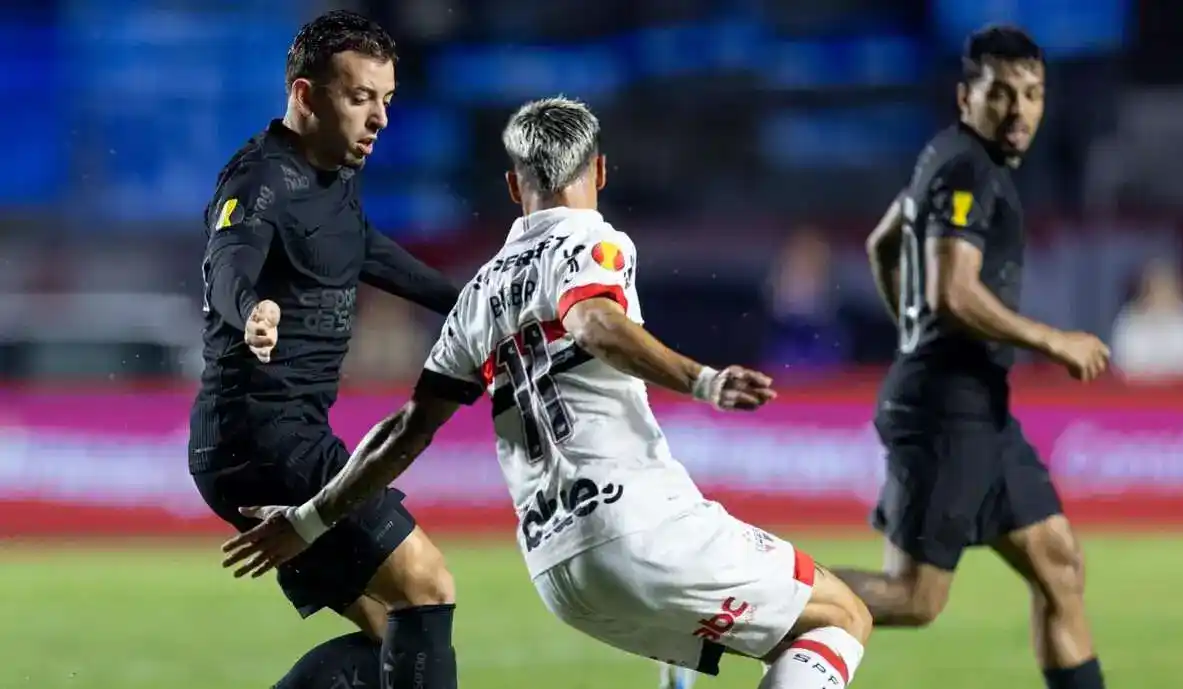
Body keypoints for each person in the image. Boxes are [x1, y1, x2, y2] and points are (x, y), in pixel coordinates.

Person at [220, 96, 874, 689]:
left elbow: (406, 431)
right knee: (840, 617)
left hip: (561, 571)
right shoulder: (595, 241)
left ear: (512, 185)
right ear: (602, 171)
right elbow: (592, 320)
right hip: (638, 527)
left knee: (767, 635)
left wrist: (309, 518)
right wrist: (703, 379)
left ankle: (679, 663)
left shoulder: (477, 293)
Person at [188, 11, 461, 689]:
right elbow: (226, 262)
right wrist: (251, 310)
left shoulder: (335, 173)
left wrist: (469, 300)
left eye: (386, 101)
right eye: (360, 98)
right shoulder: (259, 180)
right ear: (306, 96)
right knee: (427, 587)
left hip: (273, 436)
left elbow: (362, 248)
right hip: (265, 437)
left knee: (396, 641)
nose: (379, 119)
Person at [847, 24, 1111, 689]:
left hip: (977, 406)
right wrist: (1053, 339)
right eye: (1000, 94)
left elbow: (884, 242)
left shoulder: (950, 157)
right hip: (946, 410)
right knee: (912, 597)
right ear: (966, 96)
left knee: (1058, 562)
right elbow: (953, 289)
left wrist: (913, 332)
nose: (1019, 110)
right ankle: (732, 606)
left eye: (1032, 93)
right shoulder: (967, 166)